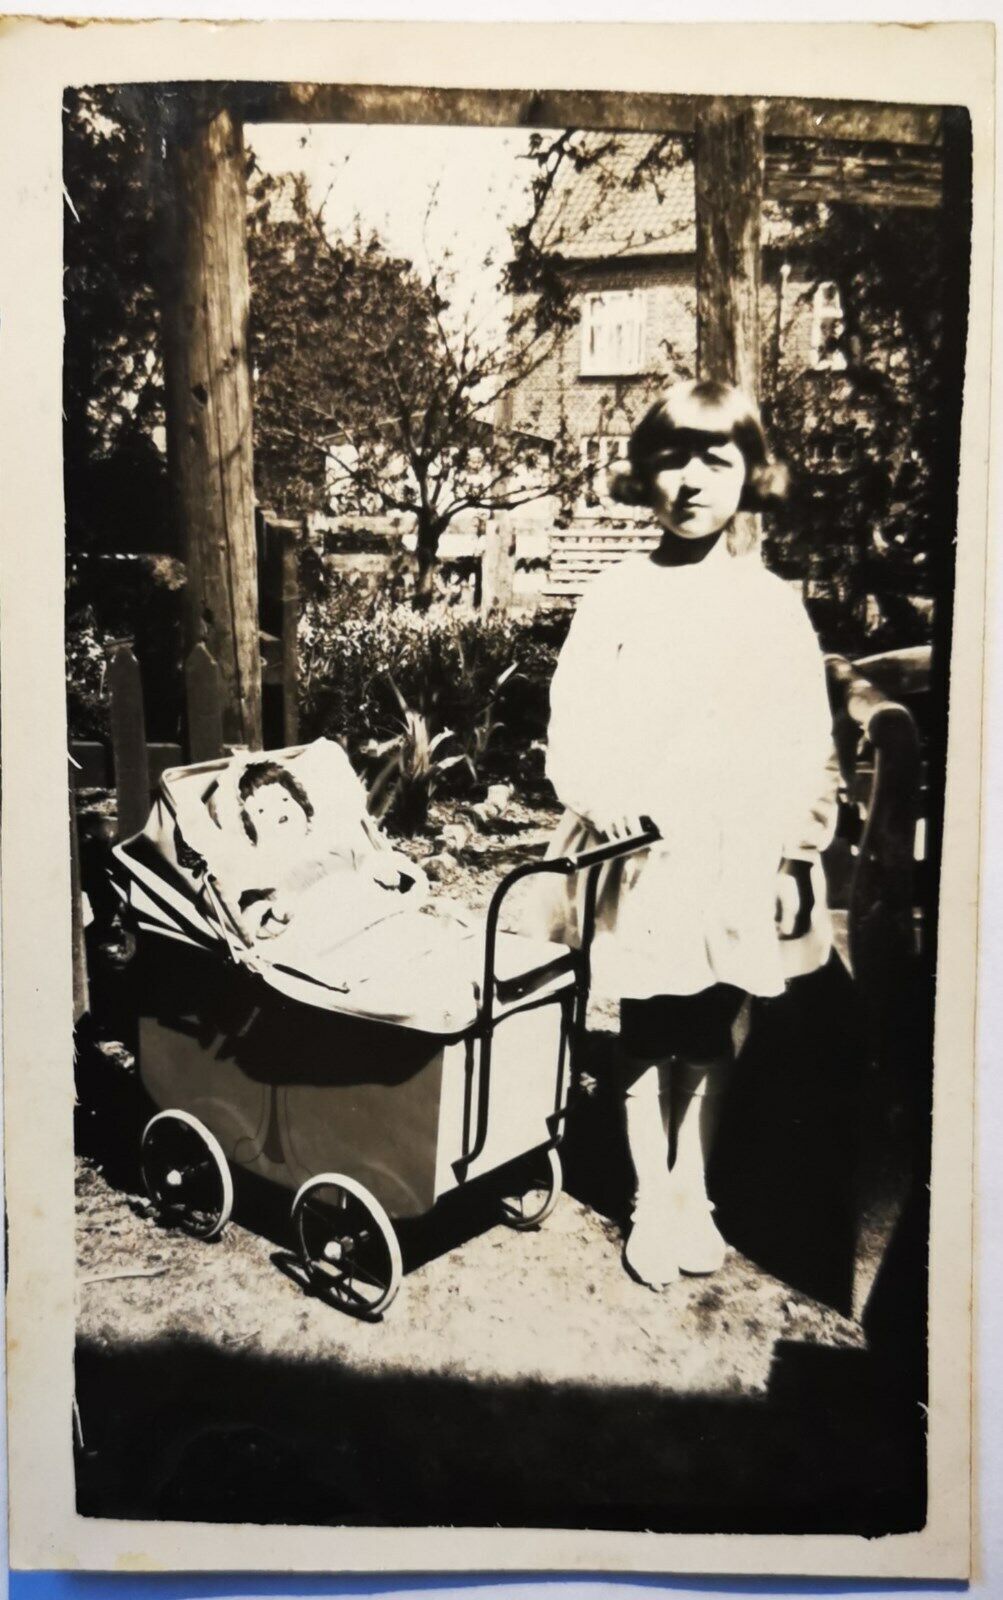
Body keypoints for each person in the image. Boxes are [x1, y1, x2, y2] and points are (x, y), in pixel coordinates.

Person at [540, 379, 837, 1290]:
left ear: (750, 475)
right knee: (644, 1022)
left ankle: (690, 1188)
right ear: (645, 474)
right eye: (673, 458)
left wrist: (795, 849)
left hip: (732, 849)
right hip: (644, 857)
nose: (693, 481)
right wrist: (605, 791)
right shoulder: (616, 596)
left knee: (709, 1022)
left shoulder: (768, 602)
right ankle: (645, 1196)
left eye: (717, 459)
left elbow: (803, 736)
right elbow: (573, 719)